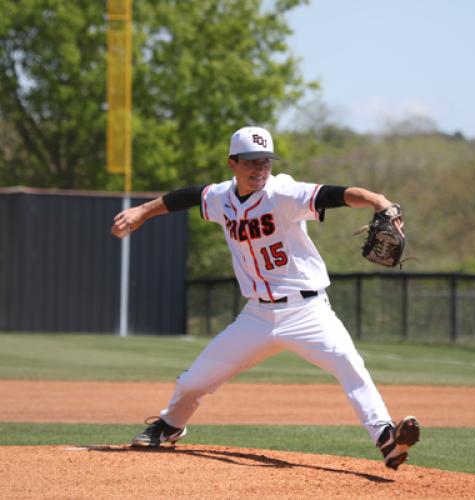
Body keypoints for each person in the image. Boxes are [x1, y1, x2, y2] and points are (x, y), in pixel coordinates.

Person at [111, 126, 420, 470]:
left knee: (350, 366)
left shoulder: (283, 193)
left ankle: (386, 439)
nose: (260, 169)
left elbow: (335, 194)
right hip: (257, 316)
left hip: (308, 311)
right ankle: (169, 426)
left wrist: (377, 200)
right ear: (233, 164)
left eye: (265, 161)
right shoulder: (220, 197)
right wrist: (142, 211)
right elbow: (184, 197)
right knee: (194, 381)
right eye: (251, 162)